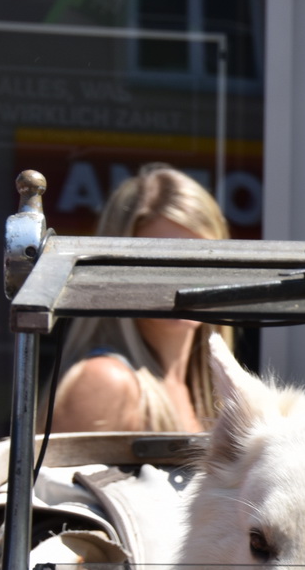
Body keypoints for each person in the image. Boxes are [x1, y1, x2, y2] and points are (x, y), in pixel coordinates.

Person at [52, 164, 235, 433]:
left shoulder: (211, 394)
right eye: (160, 261)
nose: (182, 277)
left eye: (201, 258)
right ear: (116, 272)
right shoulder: (106, 383)